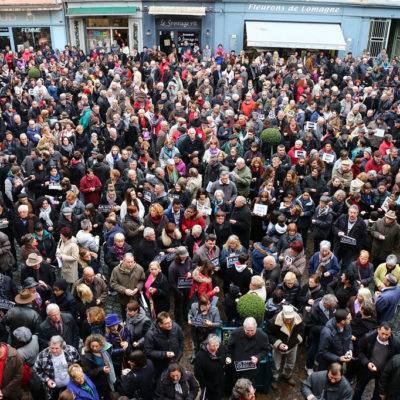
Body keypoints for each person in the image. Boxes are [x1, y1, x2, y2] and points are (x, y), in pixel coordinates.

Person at [353, 323, 400, 400]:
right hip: (367, 369)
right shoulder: (367, 338)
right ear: (378, 330)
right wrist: (367, 363)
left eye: (387, 335)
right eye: (382, 333)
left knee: (378, 392)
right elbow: (359, 351)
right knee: (359, 387)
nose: (384, 337)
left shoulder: (396, 343)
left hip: (383, 372)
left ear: (390, 333)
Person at [266, 305, 304, 388]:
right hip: (278, 348)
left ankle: (287, 376)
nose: (289, 320)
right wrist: (278, 344)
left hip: (293, 346)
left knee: (291, 363)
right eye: (287, 318)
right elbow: (268, 334)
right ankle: (274, 378)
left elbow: (302, 331)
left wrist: (296, 340)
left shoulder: (299, 319)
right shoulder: (273, 321)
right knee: (276, 365)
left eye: (291, 318)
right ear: (282, 315)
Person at [34, 335, 80, 400]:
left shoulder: (71, 351)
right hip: (53, 389)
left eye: (56, 348)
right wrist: (47, 380)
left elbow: (78, 363)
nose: (54, 351)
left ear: (62, 347)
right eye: (52, 348)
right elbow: (36, 369)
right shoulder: (42, 355)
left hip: (71, 385)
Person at [227, 317, 271, 382]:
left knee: (250, 386)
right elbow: (230, 347)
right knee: (236, 385)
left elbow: (266, 350)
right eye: (247, 331)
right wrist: (229, 357)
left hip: (251, 369)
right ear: (244, 328)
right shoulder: (236, 333)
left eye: (252, 330)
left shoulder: (263, 336)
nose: (250, 333)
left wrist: (258, 357)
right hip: (237, 367)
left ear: (256, 327)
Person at [144, 311, 184, 377]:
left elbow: (181, 339)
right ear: (160, 324)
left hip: (175, 360)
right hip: (160, 364)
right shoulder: (151, 334)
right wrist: (165, 354)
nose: (170, 324)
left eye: (170, 321)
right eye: (167, 323)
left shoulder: (175, 326)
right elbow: (148, 351)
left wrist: (179, 355)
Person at [305, 294, 338, 376]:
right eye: (331, 307)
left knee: (322, 350)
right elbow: (310, 326)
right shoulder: (314, 310)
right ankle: (309, 366)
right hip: (316, 336)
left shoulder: (331, 305)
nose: (333, 308)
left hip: (325, 335)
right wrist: (325, 329)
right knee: (312, 351)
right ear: (325, 304)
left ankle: (317, 359)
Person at [110, 252, 145, 318]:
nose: (130, 264)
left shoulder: (139, 269)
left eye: (132, 262)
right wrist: (124, 290)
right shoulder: (116, 270)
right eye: (128, 262)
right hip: (123, 299)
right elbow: (113, 283)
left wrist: (137, 288)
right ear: (123, 261)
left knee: (136, 316)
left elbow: (142, 281)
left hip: (135, 299)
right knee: (125, 316)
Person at [81, 334, 116, 400]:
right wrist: (102, 369)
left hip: (106, 380)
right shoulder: (86, 356)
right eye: (92, 346)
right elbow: (88, 372)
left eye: (97, 346)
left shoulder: (104, 351)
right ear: (89, 345)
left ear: (101, 345)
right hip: (96, 382)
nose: (94, 348)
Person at [194, 334, 226, 400]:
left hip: (219, 382)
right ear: (208, 344)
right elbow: (198, 374)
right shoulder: (200, 357)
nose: (215, 348)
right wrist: (205, 385)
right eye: (213, 346)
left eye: (217, 345)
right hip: (209, 385)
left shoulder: (221, 348)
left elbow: (226, 354)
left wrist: (228, 358)